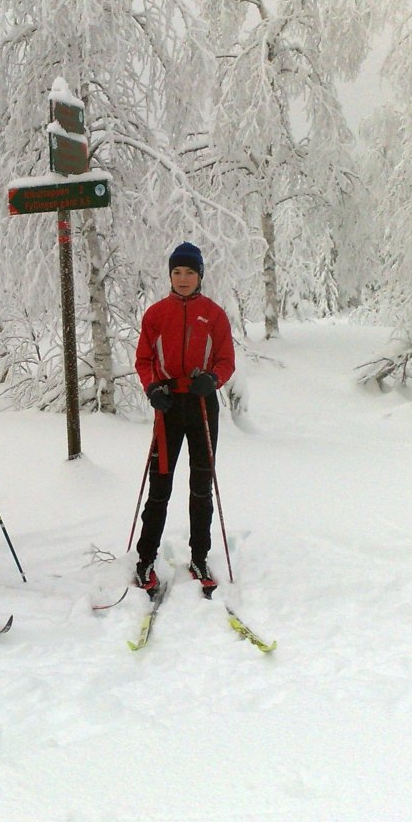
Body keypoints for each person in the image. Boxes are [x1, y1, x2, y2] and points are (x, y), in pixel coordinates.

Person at [133, 242, 235, 594]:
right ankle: (145, 558)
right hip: (168, 406)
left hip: (203, 404)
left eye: (190, 272)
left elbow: (225, 359)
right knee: (159, 485)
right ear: (170, 275)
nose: (183, 278)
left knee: (200, 484)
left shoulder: (215, 314)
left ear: (200, 275)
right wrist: (152, 389)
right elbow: (144, 360)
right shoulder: (156, 314)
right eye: (177, 272)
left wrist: (213, 380)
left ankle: (200, 555)